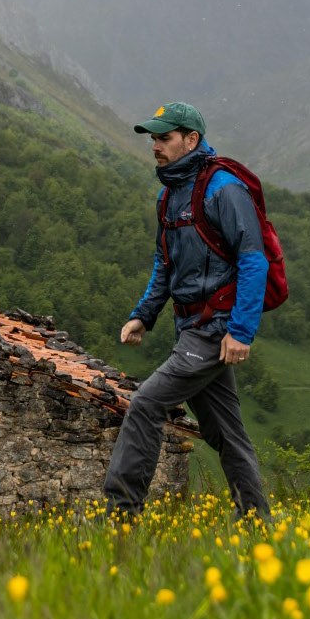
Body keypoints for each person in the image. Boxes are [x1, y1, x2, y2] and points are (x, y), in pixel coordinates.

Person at [103, 101, 271, 519]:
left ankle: (120, 517)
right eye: (153, 139)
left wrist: (241, 331)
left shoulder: (224, 189)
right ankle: (256, 522)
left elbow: (254, 261)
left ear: (191, 139)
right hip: (189, 326)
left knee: (146, 404)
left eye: (164, 138)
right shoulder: (169, 195)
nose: (155, 146)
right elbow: (165, 262)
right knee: (227, 434)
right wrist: (144, 314)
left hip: (214, 328)